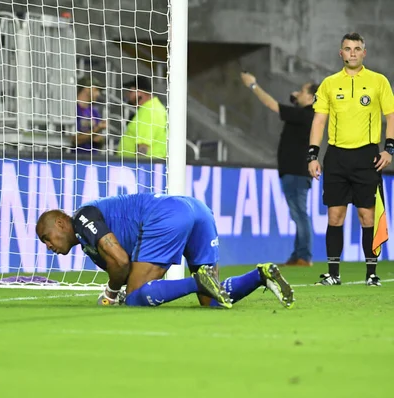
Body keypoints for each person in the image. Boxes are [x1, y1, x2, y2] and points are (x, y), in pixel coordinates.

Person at [36, 193, 295, 309]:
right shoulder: (87, 242)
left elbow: (121, 261)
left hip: (166, 216)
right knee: (212, 300)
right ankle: (260, 275)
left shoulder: (82, 217)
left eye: (47, 238)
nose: (49, 246)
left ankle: (197, 281)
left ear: (61, 223)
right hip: (197, 210)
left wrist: (112, 292)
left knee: (136, 298)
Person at [308, 32, 394, 286]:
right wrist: (313, 155)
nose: (353, 52)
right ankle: (333, 274)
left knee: (367, 216)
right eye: (348, 48)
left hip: (367, 156)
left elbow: (391, 116)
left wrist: (389, 149)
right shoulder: (329, 84)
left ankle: (371, 274)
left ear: (364, 53)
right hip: (336, 156)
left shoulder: (378, 82)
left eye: (357, 48)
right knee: (335, 216)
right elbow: (319, 121)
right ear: (341, 53)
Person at [240, 72, 318, 267]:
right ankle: (299, 254)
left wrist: (253, 85)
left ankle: (304, 256)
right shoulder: (306, 115)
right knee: (298, 213)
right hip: (294, 172)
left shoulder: (304, 115)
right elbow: (293, 103)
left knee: (299, 213)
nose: (297, 93)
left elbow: (271, 105)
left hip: (296, 172)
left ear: (310, 98)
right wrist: (296, 98)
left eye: (302, 91)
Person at [117, 76, 167, 158]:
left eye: (130, 91)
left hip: (144, 165)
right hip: (155, 162)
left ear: (140, 92)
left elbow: (143, 146)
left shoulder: (148, 111)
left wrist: (139, 167)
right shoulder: (157, 107)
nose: (127, 95)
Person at [74, 76, 106, 152]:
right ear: (86, 88)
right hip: (75, 158)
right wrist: (96, 131)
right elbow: (74, 140)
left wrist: (99, 138)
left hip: (92, 159)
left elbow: (100, 141)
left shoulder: (94, 112)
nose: (98, 94)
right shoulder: (72, 110)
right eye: (96, 90)